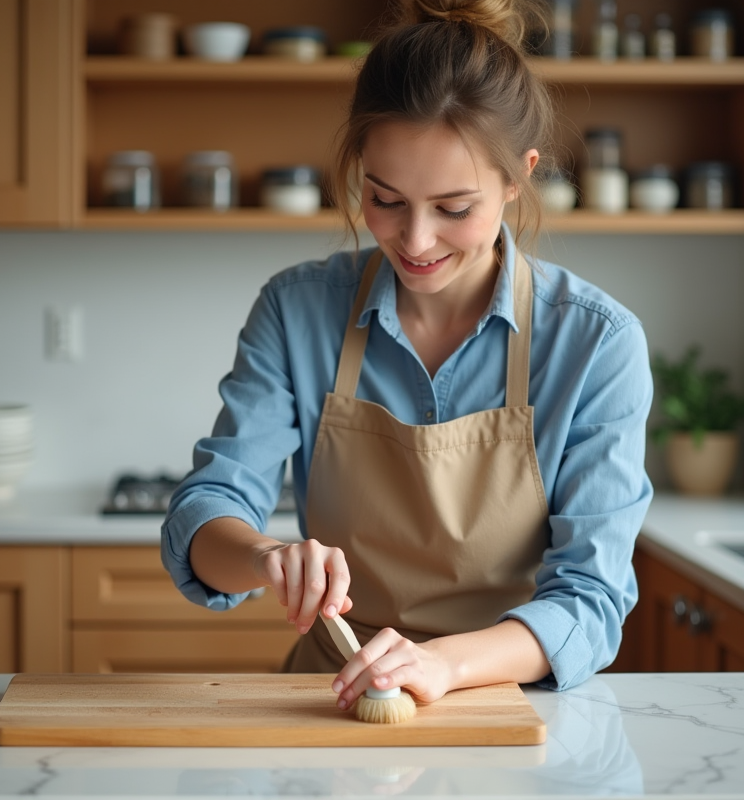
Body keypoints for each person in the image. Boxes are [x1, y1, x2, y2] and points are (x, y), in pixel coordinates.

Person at [161, 0, 653, 709]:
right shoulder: (298, 310)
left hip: (507, 702)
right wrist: (267, 558)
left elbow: (592, 599)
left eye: (454, 208)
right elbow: (207, 507)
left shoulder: (595, 343)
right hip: (336, 700)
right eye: (385, 199)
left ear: (520, 178)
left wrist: (442, 665)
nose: (415, 241)